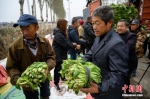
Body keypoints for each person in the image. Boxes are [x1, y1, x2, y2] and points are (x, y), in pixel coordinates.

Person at [80, 6, 129, 99]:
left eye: (97, 23)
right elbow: (91, 53)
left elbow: (119, 76)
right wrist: (77, 63)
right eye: (93, 23)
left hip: (110, 94)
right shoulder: (98, 37)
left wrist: (99, 88)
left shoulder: (117, 44)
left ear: (109, 23)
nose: (94, 27)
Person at [6, 14, 56, 99]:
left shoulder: (45, 42)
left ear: (37, 28)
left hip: (44, 77)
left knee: (45, 95)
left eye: (28, 28)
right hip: (27, 83)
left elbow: (51, 57)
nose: (25, 32)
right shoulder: (14, 47)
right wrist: (19, 79)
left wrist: (46, 67)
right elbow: (12, 67)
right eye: (22, 28)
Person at [52, 19, 80, 90]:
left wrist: (71, 44)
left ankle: (63, 78)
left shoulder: (60, 33)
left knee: (62, 67)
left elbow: (65, 42)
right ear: (62, 25)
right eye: (66, 25)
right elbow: (65, 44)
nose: (67, 26)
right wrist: (74, 46)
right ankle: (56, 83)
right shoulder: (58, 35)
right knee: (58, 69)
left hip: (61, 53)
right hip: (58, 54)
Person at [117, 19, 137, 93]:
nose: (119, 28)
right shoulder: (115, 35)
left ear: (127, 27)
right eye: (118, 26)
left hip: (128, 63)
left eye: (121, 26)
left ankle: (126, 92)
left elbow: (127, 48)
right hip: (118, 62)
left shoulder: (131, 36)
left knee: (125, 79)